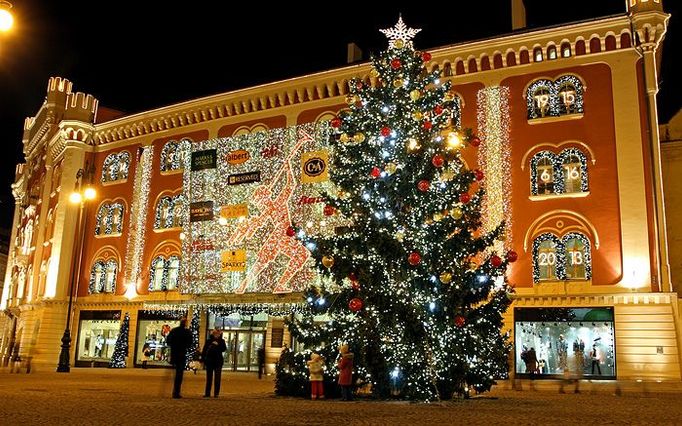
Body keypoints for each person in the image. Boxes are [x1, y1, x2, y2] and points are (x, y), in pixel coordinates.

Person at [166, 317, 192, 399]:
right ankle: (176, 392)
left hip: (174, 354)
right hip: (181, 354)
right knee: (179, 374)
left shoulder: (174, 330)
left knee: (176, 373)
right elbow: (190, 343)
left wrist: (173, 346)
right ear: (185, 323)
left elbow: (168, 341)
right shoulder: (187, 332)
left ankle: (175, 392)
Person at [201, 328, 227, 398]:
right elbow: (204, 350)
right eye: (215, 333)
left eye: (218, 333)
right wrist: (203, 360)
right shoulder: (209, 341)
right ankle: (207, 393)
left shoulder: (222, 341)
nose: (217, 335)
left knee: (217, 378)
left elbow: (224, 349)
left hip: (218, 361)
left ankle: (216, 393)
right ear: (213, 334)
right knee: (209, 378)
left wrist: (217, 345)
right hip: (210, 361)